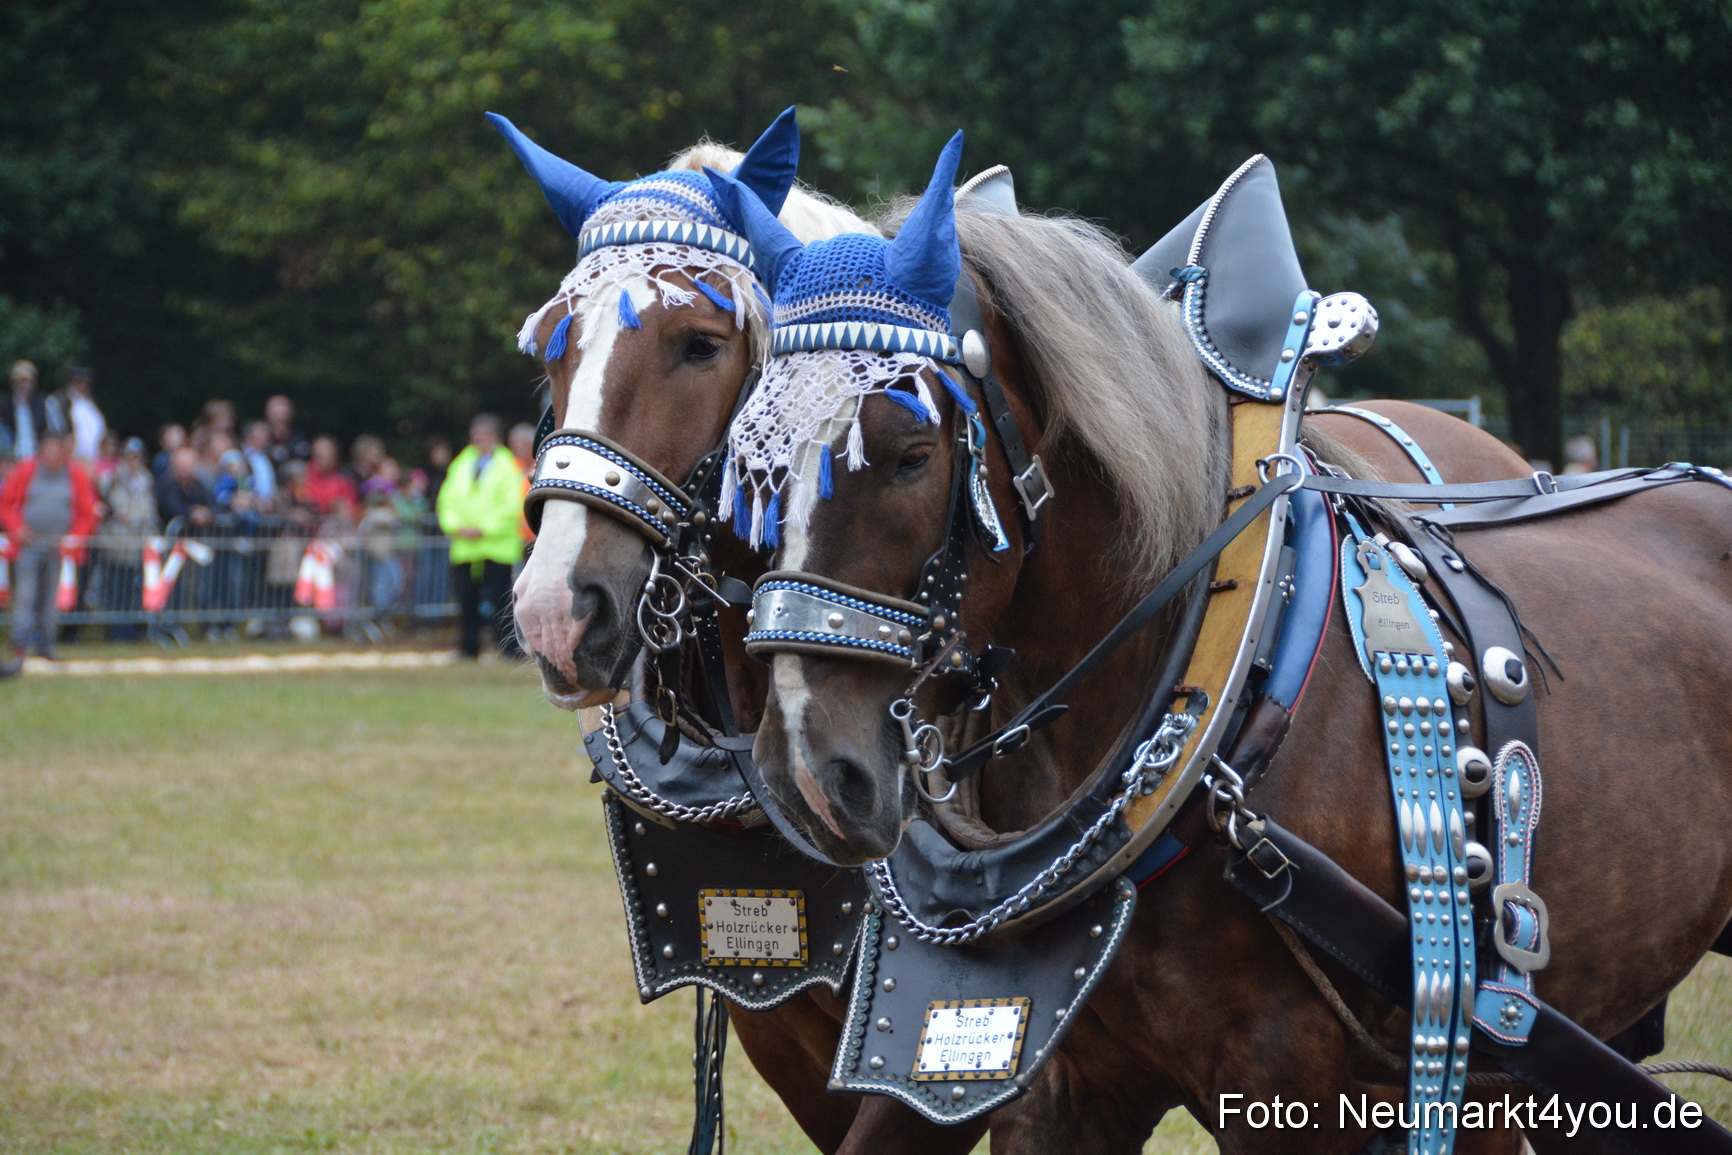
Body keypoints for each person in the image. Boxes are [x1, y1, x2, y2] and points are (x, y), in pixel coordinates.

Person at [0, 431, 98, 659]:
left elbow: (87, 512)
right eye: (49, 448)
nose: (53, 454)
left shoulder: (75, 474)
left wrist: (73, 537)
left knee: (50, 598)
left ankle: (46, 645)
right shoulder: (26, 470)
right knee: (26, 595)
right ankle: (20, 645)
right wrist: (17, 529)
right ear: (41, 450)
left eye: (57, 448)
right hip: (29, 545)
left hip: (58, 548)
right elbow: (5, 503)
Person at [435, 414, 525, 659]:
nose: (478, 439)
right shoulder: (461, 464)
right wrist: (456, 526)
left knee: (501, 602)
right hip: (465, 547)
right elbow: (447, 501)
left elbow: (512, 505)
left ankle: (508, 650)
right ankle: (467, 648)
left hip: (496, 547)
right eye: (475, 434)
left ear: (495, 437)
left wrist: (483, 528)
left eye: (483, 435)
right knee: (466, 601)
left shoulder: (508, 467)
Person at [2, 360, 68, 460]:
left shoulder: (47, 403)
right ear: (12, 383)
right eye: (19, 381)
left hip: (40, 461)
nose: (23, 386)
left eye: (27, 381)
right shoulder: (4, 406)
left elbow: (58, 431)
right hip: (11, 460)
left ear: (34, 383)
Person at [59, 366, 106, 461]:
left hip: (94, 457)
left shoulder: (90, 404)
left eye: (86, 382)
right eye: (78, 381)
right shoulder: (62, 402)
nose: (82, 385)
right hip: (73, 457)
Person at [264, 395, 310, 466]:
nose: (280, 417)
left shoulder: (300, 440)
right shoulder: (262, 441)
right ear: (267, 414)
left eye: (284, 413)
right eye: (276, 414)